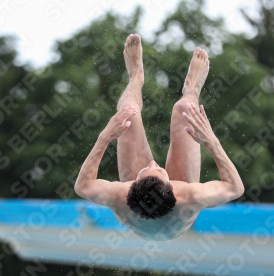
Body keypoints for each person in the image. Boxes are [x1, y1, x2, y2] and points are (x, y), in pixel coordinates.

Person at [74, 34, 244, 241]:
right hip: (177, 217)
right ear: (172, 185)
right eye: (159, 170)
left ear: (131, 186)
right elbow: (235, 188)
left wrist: (104, 137)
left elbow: (82, 186)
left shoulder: (118, 195)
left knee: (127, 112)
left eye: (144, 170)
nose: (153, 162)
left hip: (151, 206)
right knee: (185, 109)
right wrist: (211, 141)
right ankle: (192, 88)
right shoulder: (192, 197)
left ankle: (136, 76)